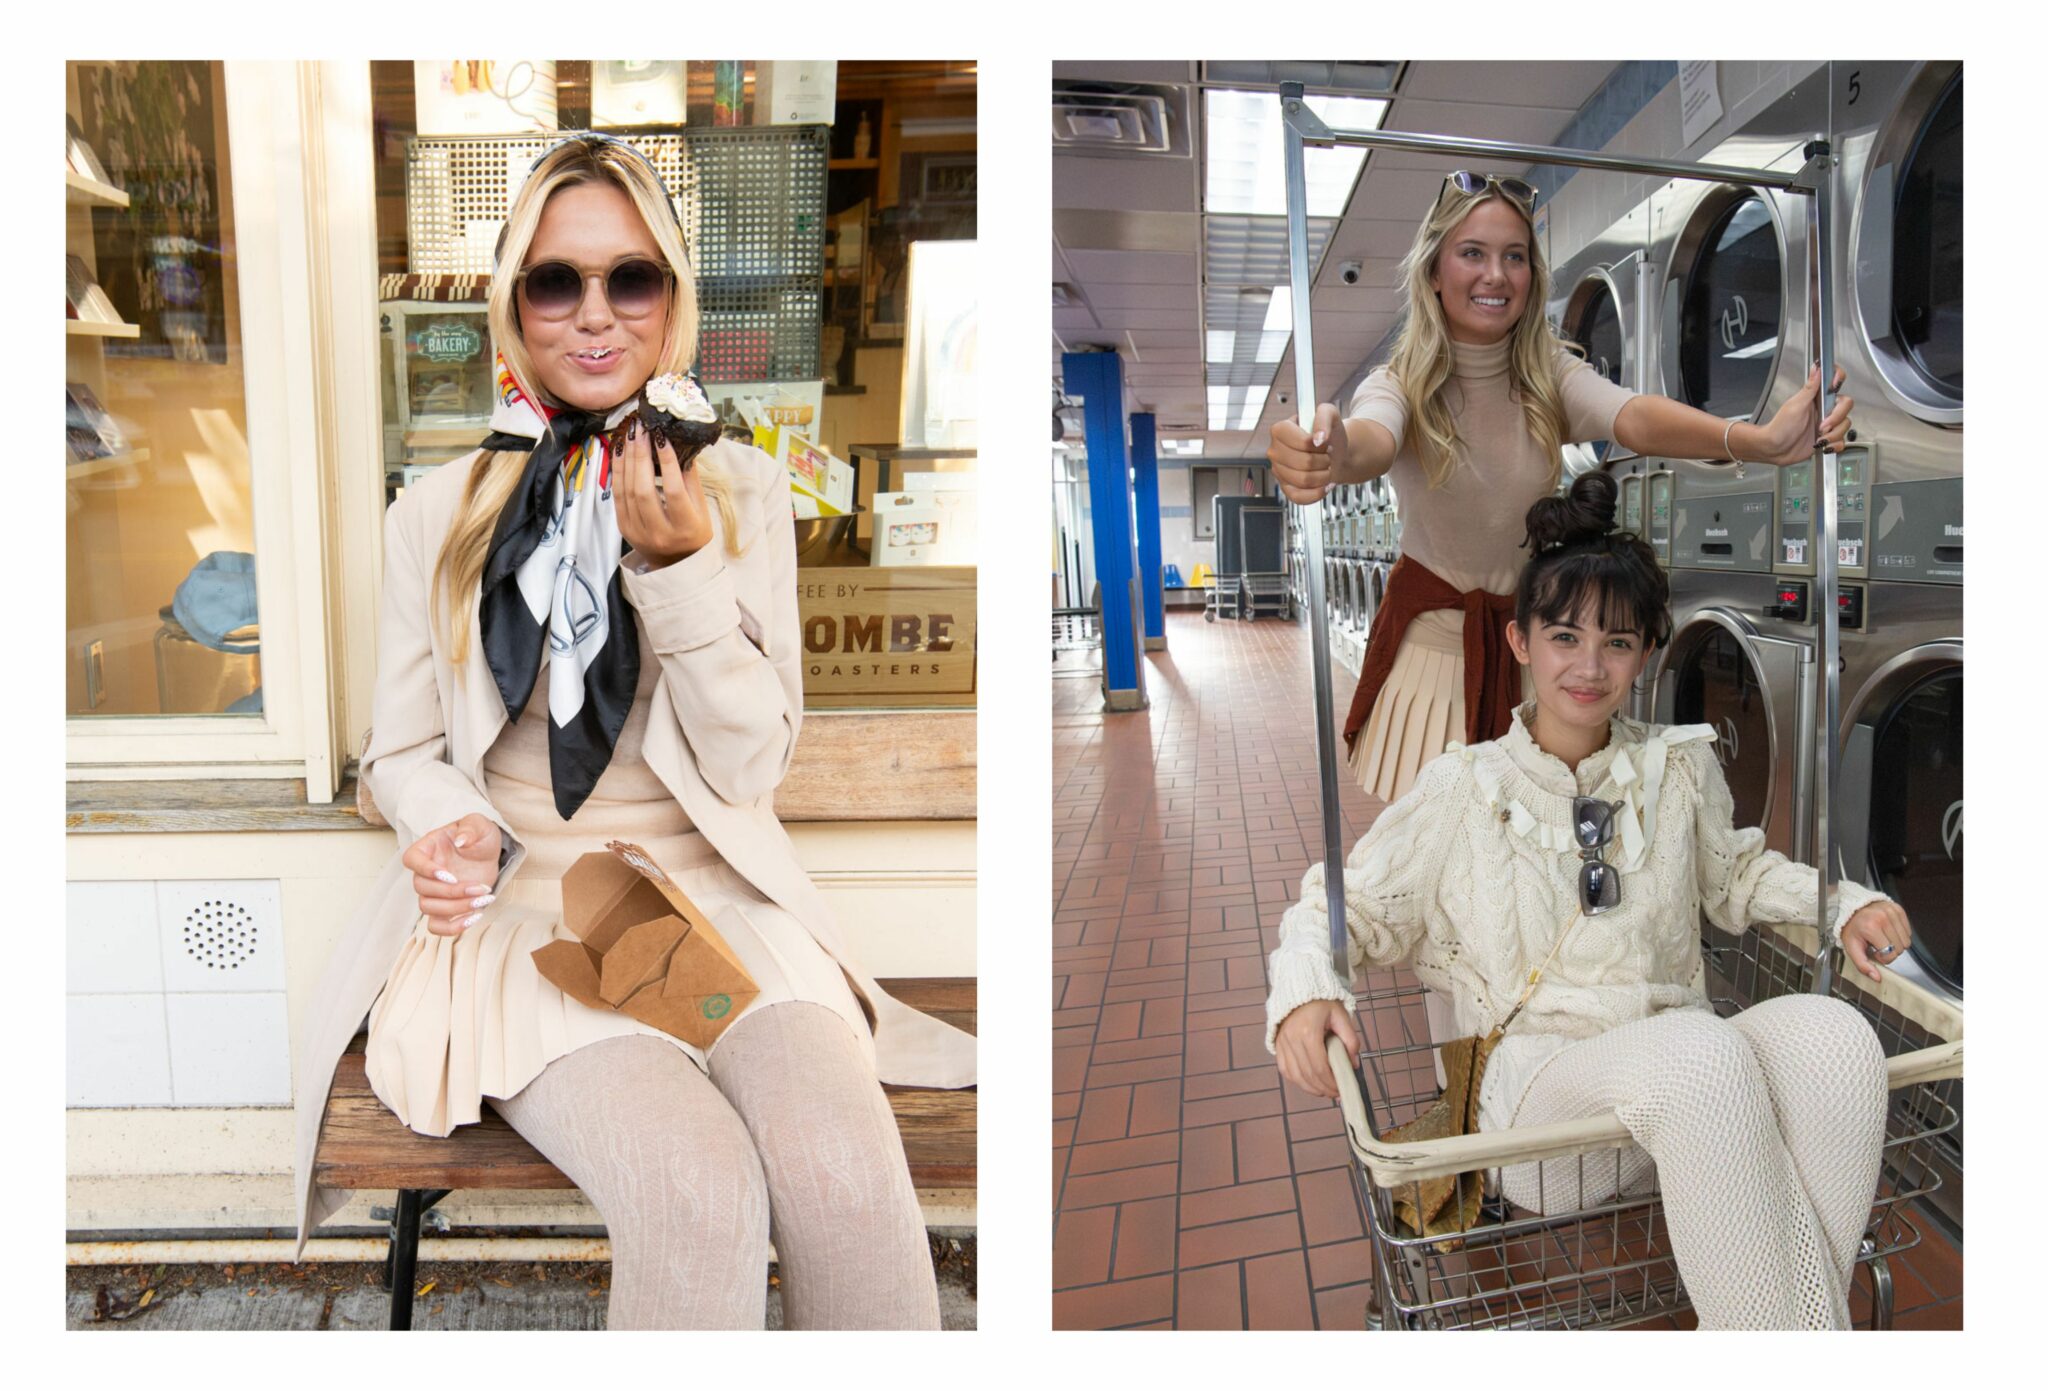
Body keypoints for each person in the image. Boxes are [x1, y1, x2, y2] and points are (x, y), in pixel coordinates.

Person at [289, 134, 974, 1330]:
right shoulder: (432, 514)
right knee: (698, 1193)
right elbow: (397, 752)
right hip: (528, 924)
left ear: (673, 302)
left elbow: (752, 763)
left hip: (721, 909)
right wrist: (447, 825)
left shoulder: (748, 497)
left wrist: (682, 568)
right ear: (514, 304)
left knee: (847, 1179)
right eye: (557, 281)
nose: (594, 316)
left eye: (631, 279)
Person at [1265, 471, 1913, 1331]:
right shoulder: (1466, 785)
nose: (1590, 664)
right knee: (1698, 1053)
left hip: (1686, 1100)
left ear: (1646, 651)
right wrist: (1306, 988)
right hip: (1540, 1107)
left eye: (1617, 640)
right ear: (1522, 641)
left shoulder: (1679, 767)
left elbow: (1738, 878)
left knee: (1838, 1041)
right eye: (1564, 635)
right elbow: (1340, 907)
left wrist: (1842, 904)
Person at [1268, 170, 1854, 802]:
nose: (1495, 275)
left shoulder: (1548, 374)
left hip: (1532, 653)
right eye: (1473, 254)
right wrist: (1329, 454)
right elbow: (1370, 441)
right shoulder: (1400, 381)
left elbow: (1633, 415)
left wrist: (1758, 440)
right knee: (1444, 858)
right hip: (1433, 659)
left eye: (1513, 257)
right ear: (1435, 271)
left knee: (1545, 850)